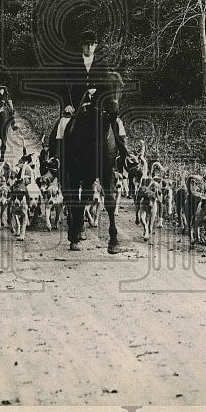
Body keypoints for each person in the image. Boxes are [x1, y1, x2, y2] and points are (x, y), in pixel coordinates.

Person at [58, 29, 129, 253]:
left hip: (98, 108)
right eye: (86, 43)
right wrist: (67, 104)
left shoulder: (102, 64)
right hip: (76, 107)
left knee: (118, 125)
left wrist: (101, 97)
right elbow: (63, 87)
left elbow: (109, 86)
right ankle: (54, 159)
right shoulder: (71, 64)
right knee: (61, 126)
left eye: (93, 43)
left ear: (96, 45)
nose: (89, 47)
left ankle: (126, 157)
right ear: (81, 45)